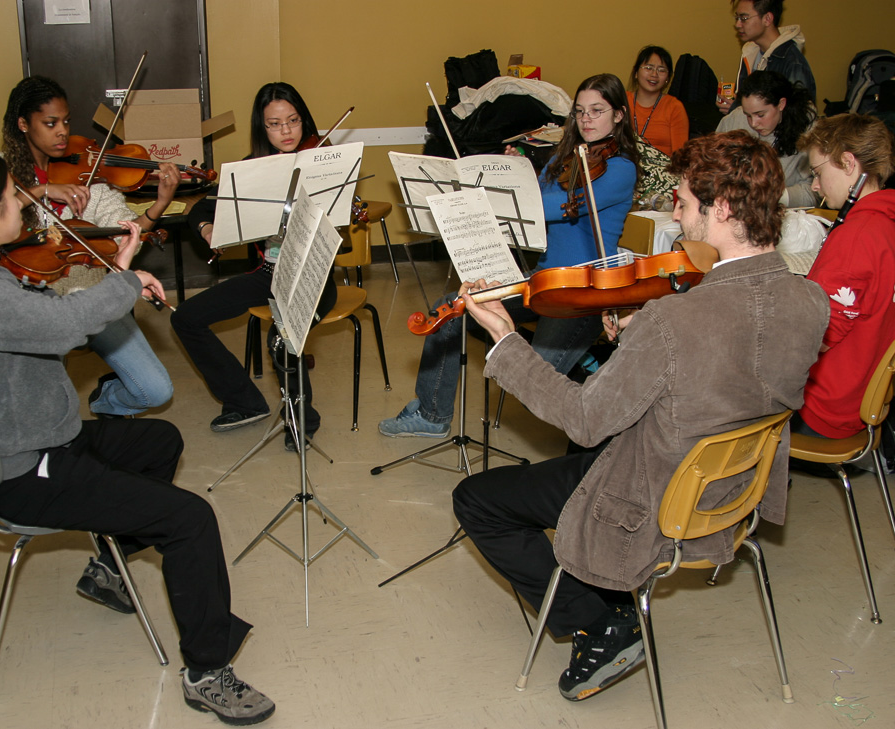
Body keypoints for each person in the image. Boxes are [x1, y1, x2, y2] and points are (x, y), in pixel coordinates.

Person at [0, 147, 274, 726]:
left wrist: (116, 270)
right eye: (14, 194)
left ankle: (109, 567)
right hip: (26, 471)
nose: (25, 202)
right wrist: (124, 281)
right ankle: (206, 672)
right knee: (190, 519)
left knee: (160, 442)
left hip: (43, 439)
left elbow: (50, 317)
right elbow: (61, 328)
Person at [451, 131, 829, 702]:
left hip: (653, 499)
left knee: (477, 500)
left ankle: (601, 623)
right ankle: (599, 589)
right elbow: (732, 373)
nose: (675, 214)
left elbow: (583, 418)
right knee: (583, 448)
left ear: (722, 209)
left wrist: (506, 341)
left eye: (683, 202)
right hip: (733, 490)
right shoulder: (810, 300)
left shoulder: (673, 320)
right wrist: (639, 338)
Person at [378, 74, 638, 438]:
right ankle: (431, 414)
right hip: (542, 280)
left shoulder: (621, 169)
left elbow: (555, 205)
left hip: (583, 291)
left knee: (533, 381)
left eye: (597, 111)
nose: (586, 119)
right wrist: (514, 173)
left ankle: (588, 368)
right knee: (450, 309)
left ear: (619, 115)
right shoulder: (563, 158)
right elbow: (529, 194)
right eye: (579, 111)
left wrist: (498, 193)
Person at [171, 82, 338, 449]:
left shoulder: (325, 162)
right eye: (274, 124)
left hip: (313, 277)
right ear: (262, 128)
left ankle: (302, 419)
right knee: (185, 318)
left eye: (293, 120)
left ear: (304, 120)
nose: (286, 131)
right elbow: (200, 208)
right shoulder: (252, 169)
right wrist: (208, 227)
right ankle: (244, 401)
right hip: (268, 274)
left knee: (280, 338)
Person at [2, 75, 175, 418]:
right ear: (23, 124)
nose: (62, 132)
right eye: (50, 123)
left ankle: (105, 400)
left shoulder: (86, 171)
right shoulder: (2, 176)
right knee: (42, 409)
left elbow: (123, 233)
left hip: (95, 297)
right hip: (36, 303)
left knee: (156, 391)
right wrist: (39, 191)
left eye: (66, 122)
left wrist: (159, 205)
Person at [792, 114, 895, 439]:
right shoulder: (886, 223)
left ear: (849, 163)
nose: (815, 186)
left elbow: (815, 335)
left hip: (824, 407)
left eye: (818, 172)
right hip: (864, 395)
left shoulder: (857, 236)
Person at [717, 71, 818, 207]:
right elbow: (712, 167)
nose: (753, 123)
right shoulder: (734, 120)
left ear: (781, 104)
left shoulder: (808, 131)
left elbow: (815, 193)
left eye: (760, 115)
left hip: (782, 211)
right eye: (748, 115)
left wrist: (770, 196)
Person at [717, 0, 816, 114]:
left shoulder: (793, 62)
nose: (737, 25)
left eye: (744, 18)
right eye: (737, 18)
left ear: (767, 19)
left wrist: (739, 110)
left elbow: (798, 116)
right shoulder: (750, 54)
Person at [626, 45, 689, 156]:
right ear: (636, 72)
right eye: (648, 68)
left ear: (668, 78)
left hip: (663, 166)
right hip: (625, 163)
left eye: (661, 70)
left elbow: (680, 157)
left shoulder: (674, 107)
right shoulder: (622, 100)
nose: (654, 74)